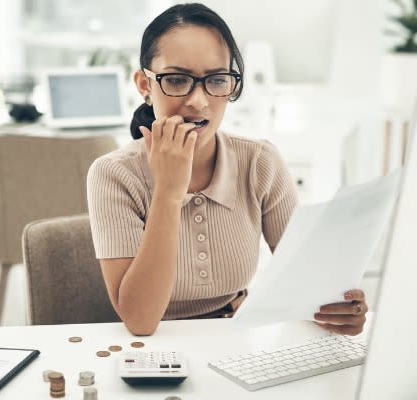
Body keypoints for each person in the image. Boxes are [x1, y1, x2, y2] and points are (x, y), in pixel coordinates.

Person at [86, 3, 367, 336]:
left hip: (236, 337)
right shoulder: (113, 174)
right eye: (176, 80)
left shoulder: (259, 162)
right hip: (151, 350)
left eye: (217, 80)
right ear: (145, 85)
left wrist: (337, 308)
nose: (198, 101)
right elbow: (140, 321)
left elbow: (303, 279)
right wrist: (169, 192)